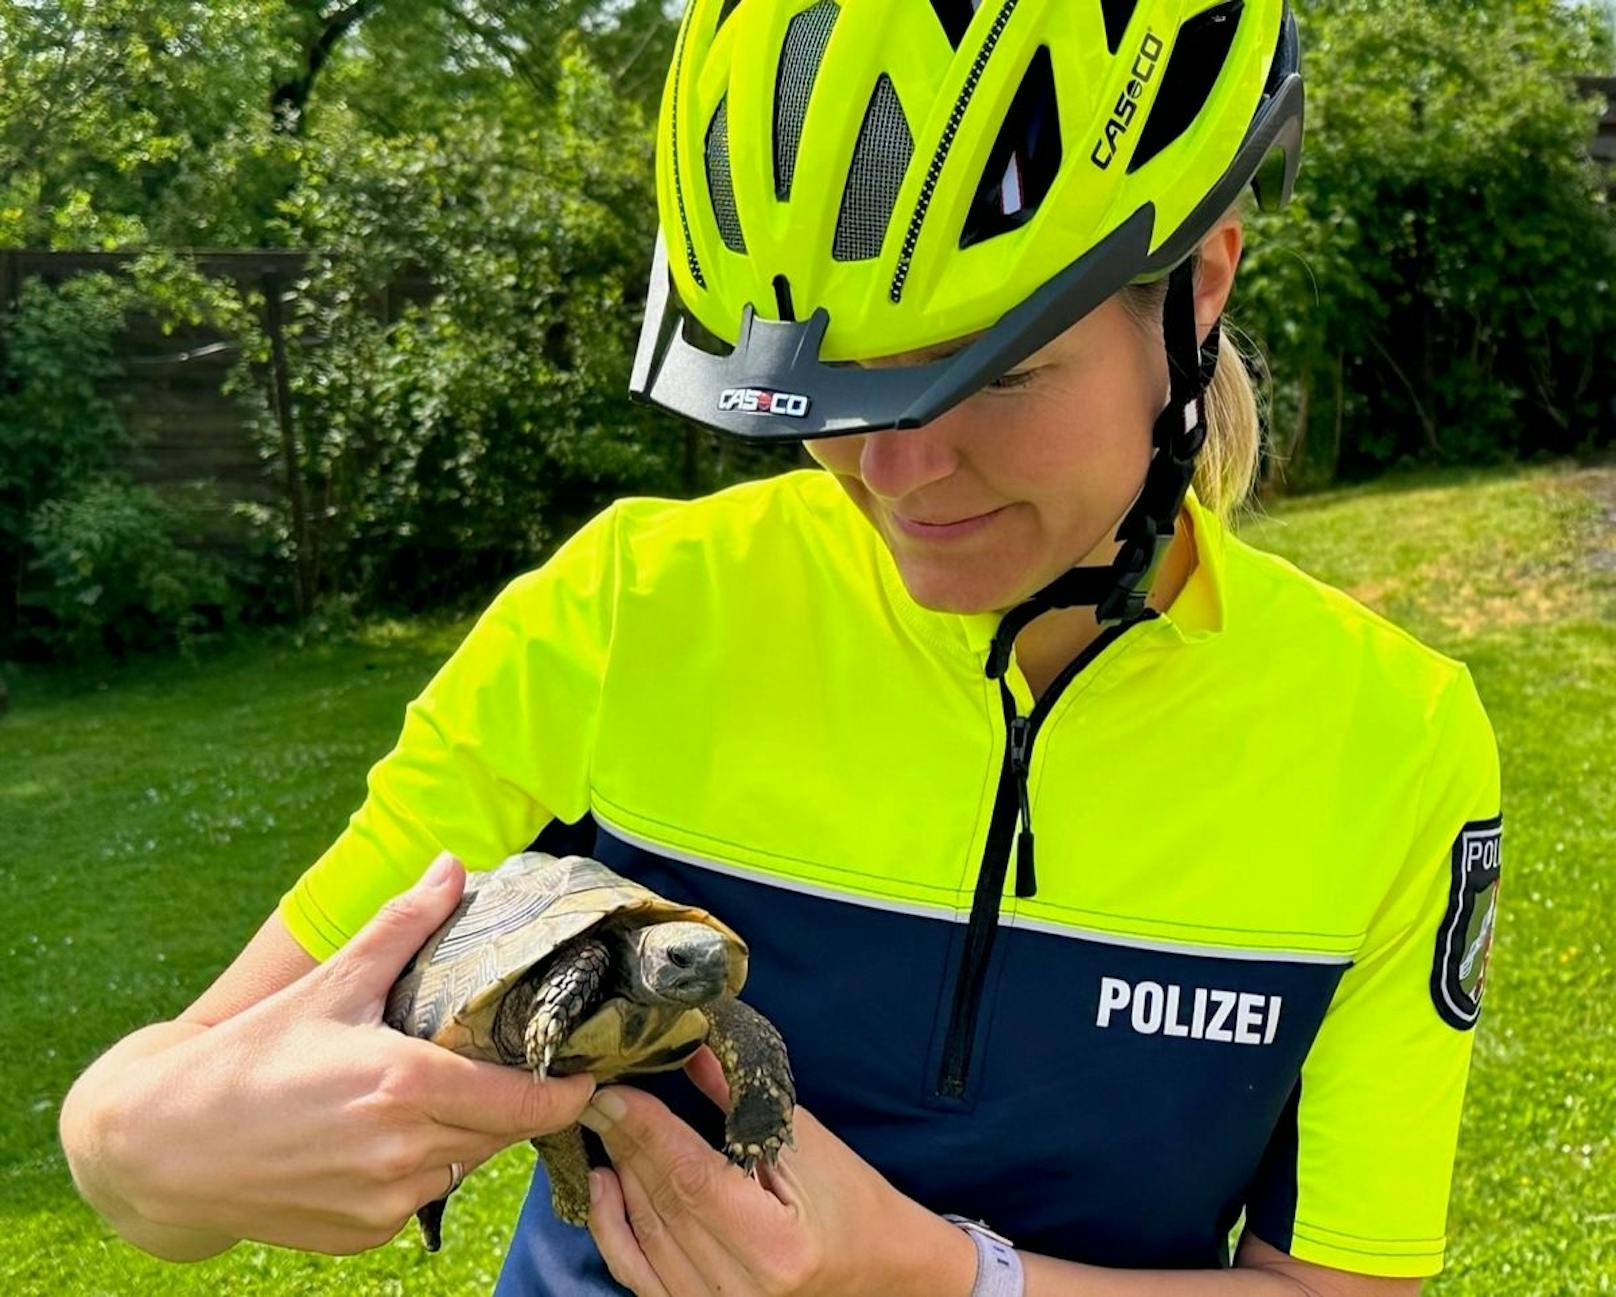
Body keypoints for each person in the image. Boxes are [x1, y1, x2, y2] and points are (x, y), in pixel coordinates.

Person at [61, 2, 1505, 1295]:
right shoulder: (628, 613)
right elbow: (174, 1095)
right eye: (820, 384)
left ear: (1197, 291)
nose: (896, 471)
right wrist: (133, 1144)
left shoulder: (1392, 737)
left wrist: (937, 1276)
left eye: (994, 371)